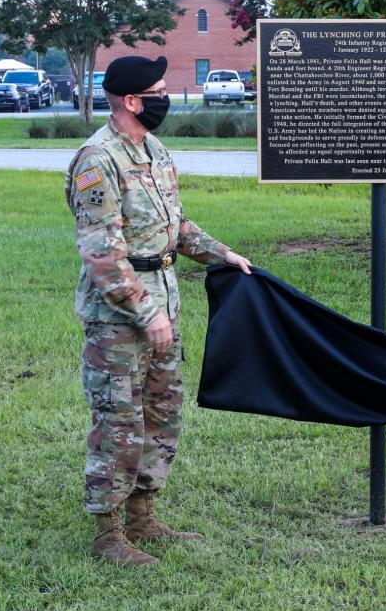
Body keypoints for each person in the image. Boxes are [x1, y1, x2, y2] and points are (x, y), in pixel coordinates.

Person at [65, 54, 252, 567]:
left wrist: (223, 254)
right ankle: (108, 534)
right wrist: (147, 312)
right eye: (159, 90)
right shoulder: (97, 160)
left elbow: (177, 227)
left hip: (163, 301)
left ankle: (143, 514)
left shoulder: (154, 150)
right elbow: (103, 252)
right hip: (120, 319)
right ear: (132, 101)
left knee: (161, 414)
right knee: (119, 420)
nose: (166, 97)